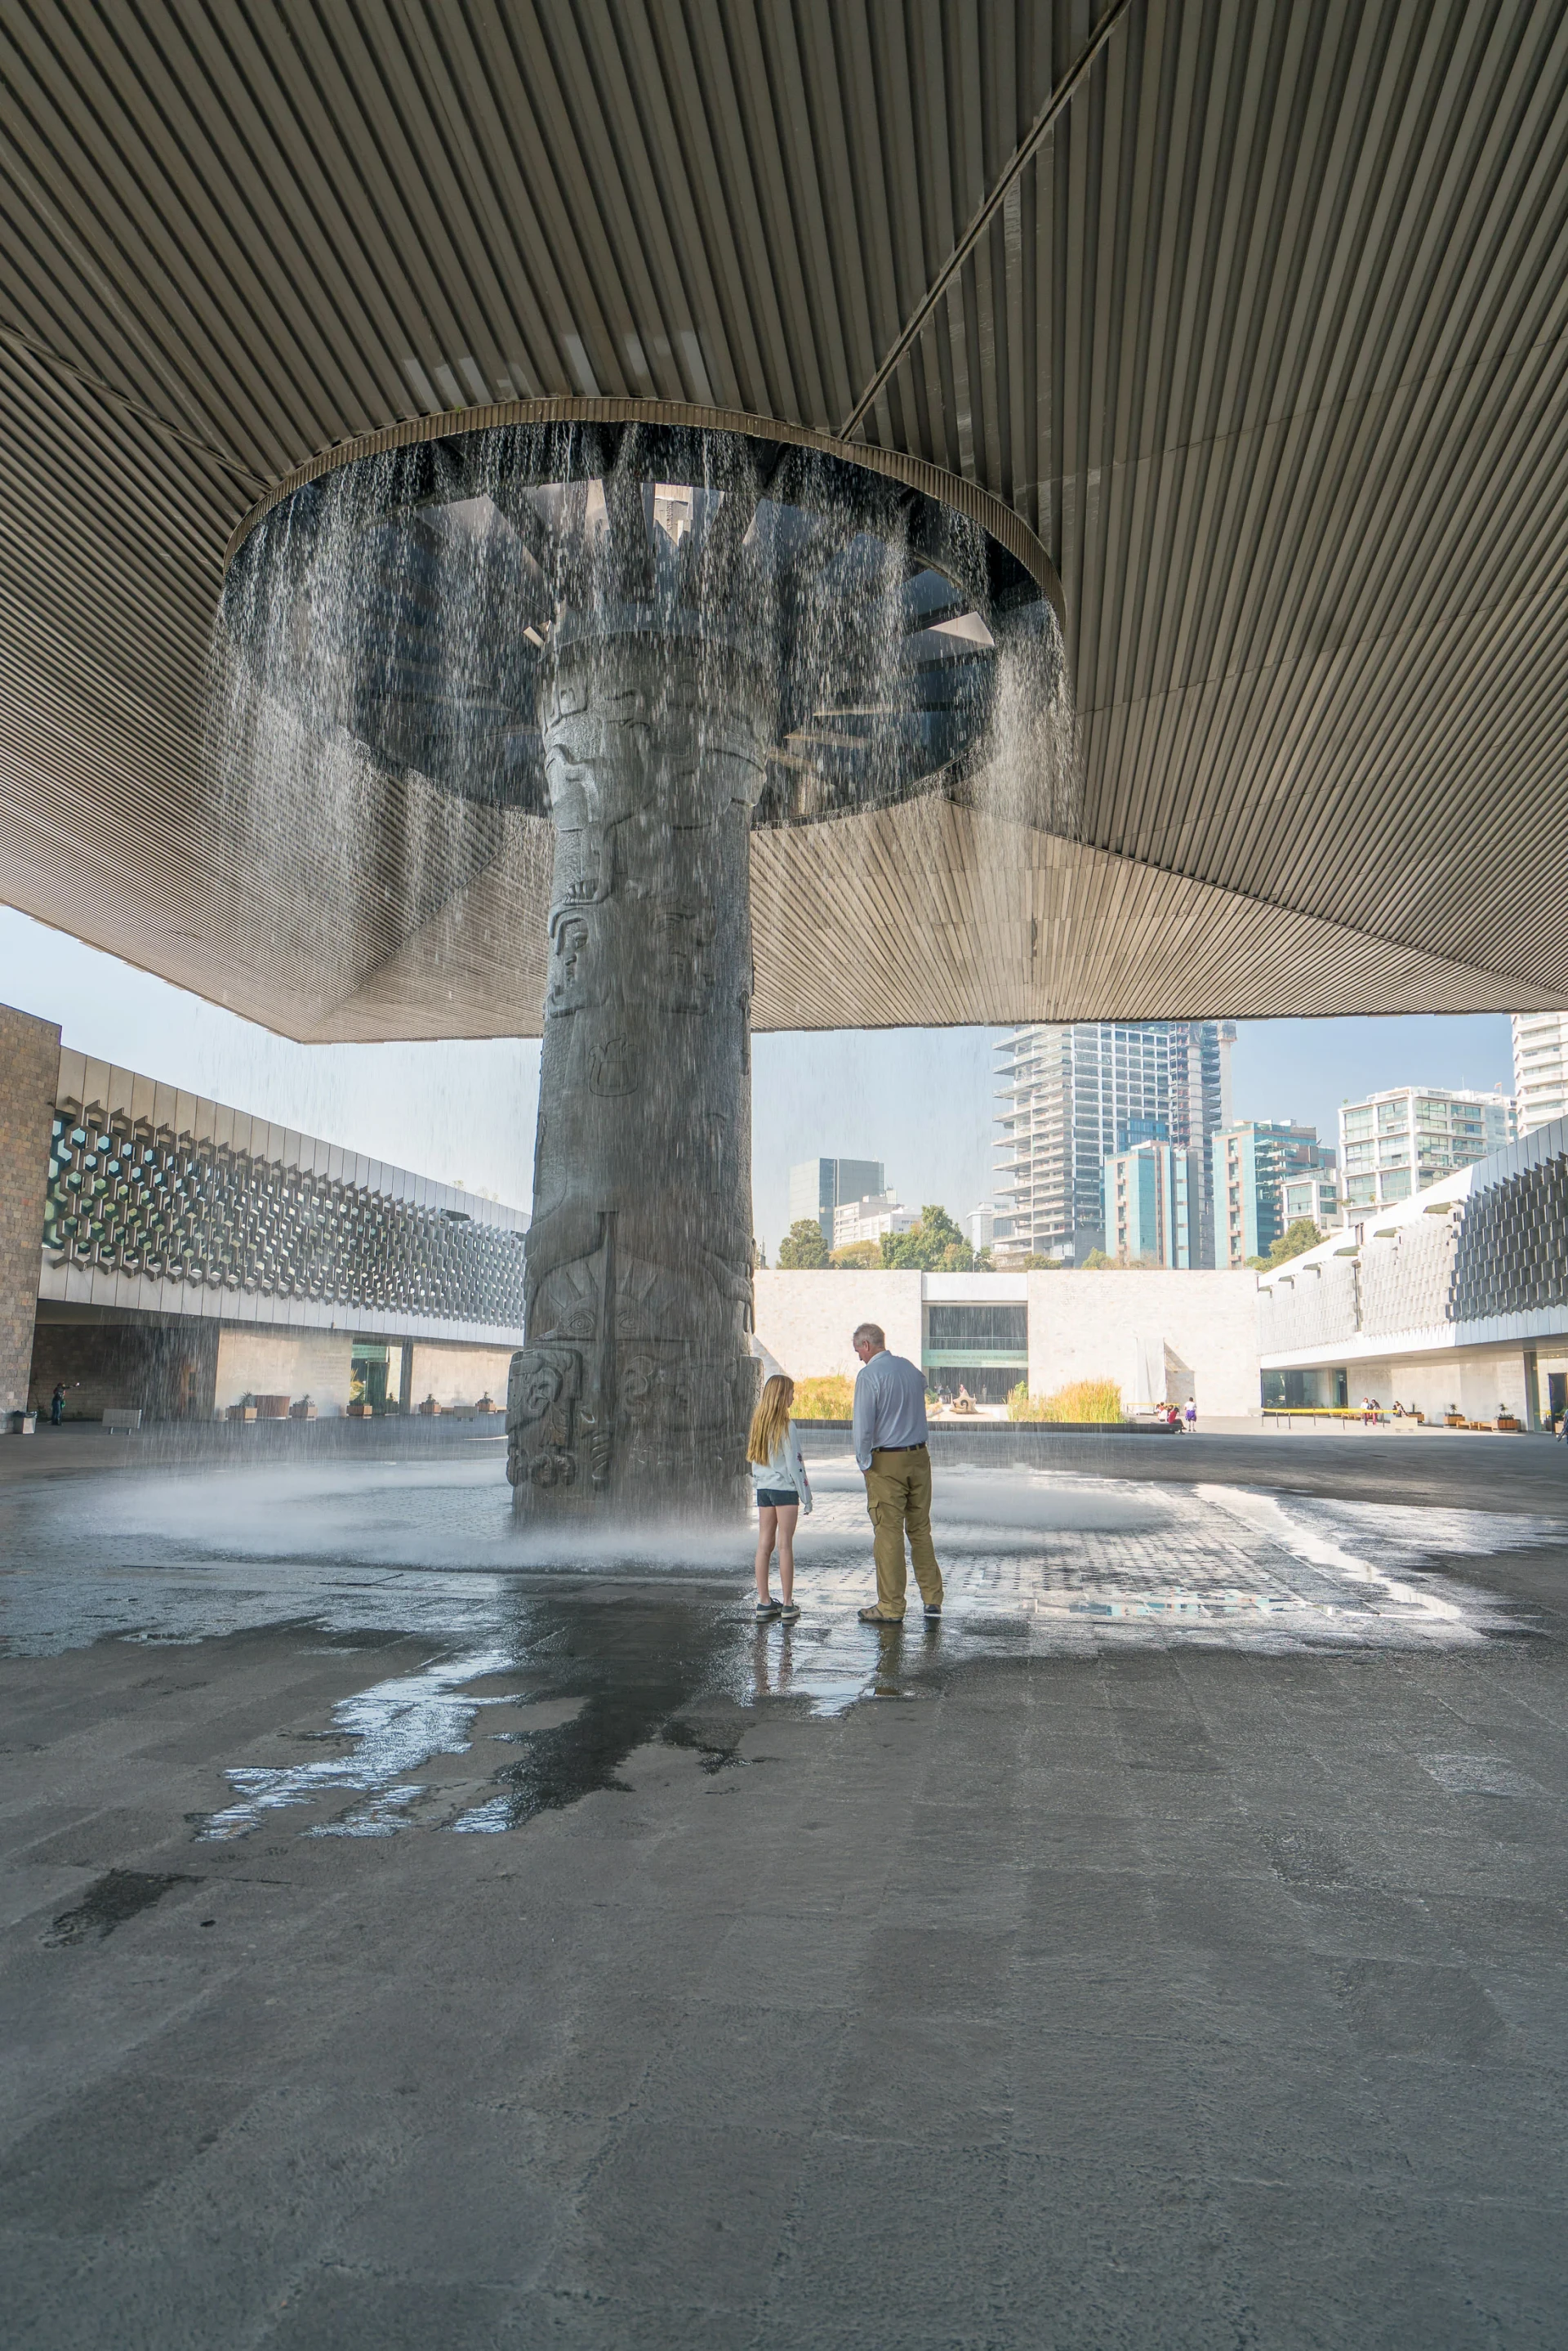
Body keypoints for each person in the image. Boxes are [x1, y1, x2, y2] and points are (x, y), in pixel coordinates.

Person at [850, 1321, 944, 1625]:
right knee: (920, 1530)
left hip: (887, 1461)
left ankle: (891, 1606)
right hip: (919, 1458)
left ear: (867, 1345)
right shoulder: (910, 1370)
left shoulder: (869, 1376)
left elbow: (863, 1427)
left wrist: (864, 1463)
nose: (858, 1358)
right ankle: (932, 1599)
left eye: (858, 1351)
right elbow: (922, 1388)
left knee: (888, 1533)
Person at [746, 1373, 811, 1622]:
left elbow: (754, 1461)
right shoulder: (787, 1425)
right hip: (785, 1491)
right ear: (782, 1395)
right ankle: (787, 1603)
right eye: (791, 1392)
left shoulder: (759, 1424)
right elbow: (796, 1465)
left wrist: (760, 1485)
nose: (794, 1396)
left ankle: (764, 1602)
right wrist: (807, 1496)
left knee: (764, 1545)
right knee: (785, 1545)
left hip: (765, 1491)